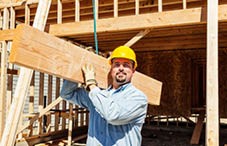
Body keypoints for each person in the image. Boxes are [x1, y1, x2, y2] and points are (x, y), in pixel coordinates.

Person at [60, 46, 148, 146]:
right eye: (117, 64)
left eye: (126, 65)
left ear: (133, 70)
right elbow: (66, 94)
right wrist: (79, 65)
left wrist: (91, 84)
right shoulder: (99, 95)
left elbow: (113, 116)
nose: (121, 68)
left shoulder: (138, 98)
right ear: (111, 69)